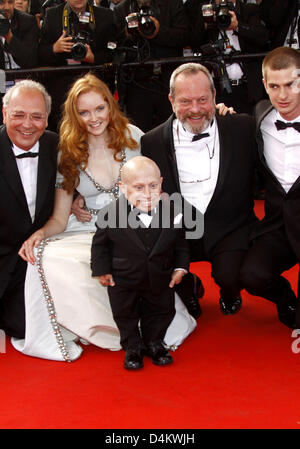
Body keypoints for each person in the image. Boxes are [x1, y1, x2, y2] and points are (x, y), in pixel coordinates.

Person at [16, 73, 196, 362]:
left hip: (138, 226)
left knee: (133, 254)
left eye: (99, 108)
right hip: (88, 228)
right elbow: (60, 218)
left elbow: (159, 187)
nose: (93, 118)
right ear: (74, 115)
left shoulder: (135, 137)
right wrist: (40, 234)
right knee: (46, 255)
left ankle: (148, 332)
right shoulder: (69, 151)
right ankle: (110, 331)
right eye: (83, 112)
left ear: (110, 106)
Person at [141, 62, 258, 316]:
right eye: (185, 101)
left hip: (229, 226)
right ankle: (190, 289)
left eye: (203, 100)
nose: (195, 110)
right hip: (180, 229)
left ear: (215, 96)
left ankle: (229, 291)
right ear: (171, 100)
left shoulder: (242, 127)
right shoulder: (151, 141)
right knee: (151, 263)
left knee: (232, 275)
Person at [91, 156, 190, 370]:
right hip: (123, 278)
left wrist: (180, 267)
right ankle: (132, 347)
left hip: (160, 276)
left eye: (153, 186)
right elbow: (100, 245)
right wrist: (102, 270)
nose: (147, 193)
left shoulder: (173, 211)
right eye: (138, 187)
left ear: (161, 183)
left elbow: (180, 243)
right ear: (123, 187)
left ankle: (155, 342)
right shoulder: (110, 214)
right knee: (125, 314)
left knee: (161, 310)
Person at [240, 46, 300, 329]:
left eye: (290, 85)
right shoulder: (261, 116)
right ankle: (287, 299)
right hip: (278, 225)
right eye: (274, 86)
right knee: (252, 274)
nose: (282, 95)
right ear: (264, 85)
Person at [0, 80, 58, 339]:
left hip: (37, 260)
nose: (27, 124)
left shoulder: (55, 147)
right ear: (4, 114)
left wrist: (76, 199)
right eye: (18, 115)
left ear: (47, 119)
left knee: (29, 328)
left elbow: (73, 183)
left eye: (36, 117)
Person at [38, 0, 117, 130]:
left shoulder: (105, 15)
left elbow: (113, 51)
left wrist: (94, 58)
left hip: (95, 86)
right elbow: (40, 52)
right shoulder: (52, 15)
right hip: (62, 91)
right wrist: (54, 48)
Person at [113, 0, 188, 132]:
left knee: (176, 132)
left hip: (168, 82)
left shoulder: (173, 4)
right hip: (137, 83)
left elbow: (185, 37)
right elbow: (115, 46)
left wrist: (158, 32)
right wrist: (129, 36)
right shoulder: (121, 9)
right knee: (138, 134)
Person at [185, 0, 269, 114]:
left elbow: (262, 38)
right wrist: (206, 23)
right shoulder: (206, 10)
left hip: (246, 88)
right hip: (217, 88)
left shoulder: (248, 9)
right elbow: (194, 43)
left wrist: (238, 26)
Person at [0, 0, 39, 69]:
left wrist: (9, 37)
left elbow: (30, 61)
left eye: (10, 2)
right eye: (1, 3)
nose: (7, 7)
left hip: (21, 74)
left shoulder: (27, 21)